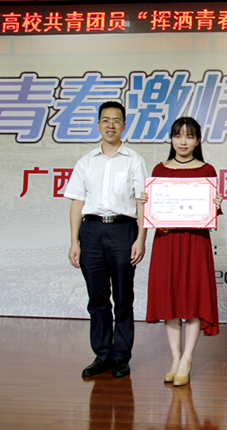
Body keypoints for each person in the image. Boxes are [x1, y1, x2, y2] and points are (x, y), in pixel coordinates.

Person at [65, 101, 148, 378]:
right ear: (98, 124)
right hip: (91, 232)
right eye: (105, 120)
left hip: (123, 230)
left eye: (116, 120)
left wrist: (141, 238)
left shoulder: (134, 159)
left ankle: (121, 356)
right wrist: (74, 241)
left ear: (124, 125)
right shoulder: (86, 161)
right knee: (97, 298)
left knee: (123, 297)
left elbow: (142, 201)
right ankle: (102, 354)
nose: (110, 125)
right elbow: (77, 202)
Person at [144, 117, 223, 387]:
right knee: (170, 299)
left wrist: (215, 203)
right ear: (171, 139)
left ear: (198, 141)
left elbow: (210, 213)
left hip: (195, 241)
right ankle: (175, 358)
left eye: (189, 137)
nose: (183, 142)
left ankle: (187, 358)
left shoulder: (207, 170)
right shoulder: (159, 169)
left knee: (194, 297)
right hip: (166, 241)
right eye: (178, 136)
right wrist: (146, 201)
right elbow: (152, 210)